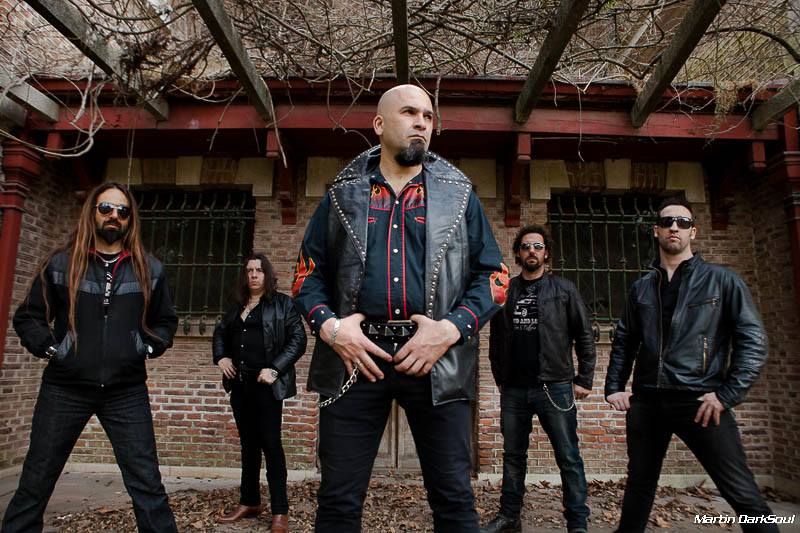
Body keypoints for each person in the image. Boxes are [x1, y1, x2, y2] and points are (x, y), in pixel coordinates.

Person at [292, 84, 508, 532]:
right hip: (355, 359)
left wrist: (451, 329)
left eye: (428, 116)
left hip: (436, 359)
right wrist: (332, 329)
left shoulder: (458, 194)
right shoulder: (342, 194)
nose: (422, 123)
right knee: (337, 501)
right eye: (410, 113)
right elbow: (305, 275)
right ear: (379, 124)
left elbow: (495, 277)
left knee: (455, 499)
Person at [3, 182, 178, 533]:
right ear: (92, 213)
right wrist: (53, 349)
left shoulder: (150, 269)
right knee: (36, 479)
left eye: (122, 211)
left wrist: (144, 348)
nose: (114, 216)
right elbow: (28, 317)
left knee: (147, 484)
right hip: (64, 388)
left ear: (130, 219)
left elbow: (165, 322)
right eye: (106, 208)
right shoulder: (61, 263)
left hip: (126, 391)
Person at [605, 196, 777, 533]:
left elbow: (754, 341)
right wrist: (614, 387)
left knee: (742, 493)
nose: (674, 227)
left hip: (700, 401)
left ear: (693, 232)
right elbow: (625, 340)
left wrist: (727, 395)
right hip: (648, 401)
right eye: (667, 222)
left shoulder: (722, 281)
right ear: (656, 230)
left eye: (682, 223)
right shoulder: (642, 287)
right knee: (639, 486)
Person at [482, 225, 595, 533]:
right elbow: (496, 338)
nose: (532, 251)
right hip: (514, 389)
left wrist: (584, 378)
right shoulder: (507, 290)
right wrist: (500, 378)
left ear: (546, 253)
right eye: (526, 246)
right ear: (518, 254)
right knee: (513, 456)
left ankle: (577, 522)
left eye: (538, 246)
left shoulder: (563, 289)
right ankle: (509, 517)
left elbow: (584, 335)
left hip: (554, 386)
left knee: (568, 456)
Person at [212, 252, 306, 532]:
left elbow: (298, 339)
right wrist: (221, 357)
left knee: (271, 446)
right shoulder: (237, 305)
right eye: (249, 270)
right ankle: (249, 501)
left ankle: (280, 511)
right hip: (240, 385)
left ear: (267, 274)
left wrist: (275, 369)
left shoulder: (283, 304)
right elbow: (220, 333)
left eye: (259, 270)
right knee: (248, 445)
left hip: (266, 386)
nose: (253, 274)